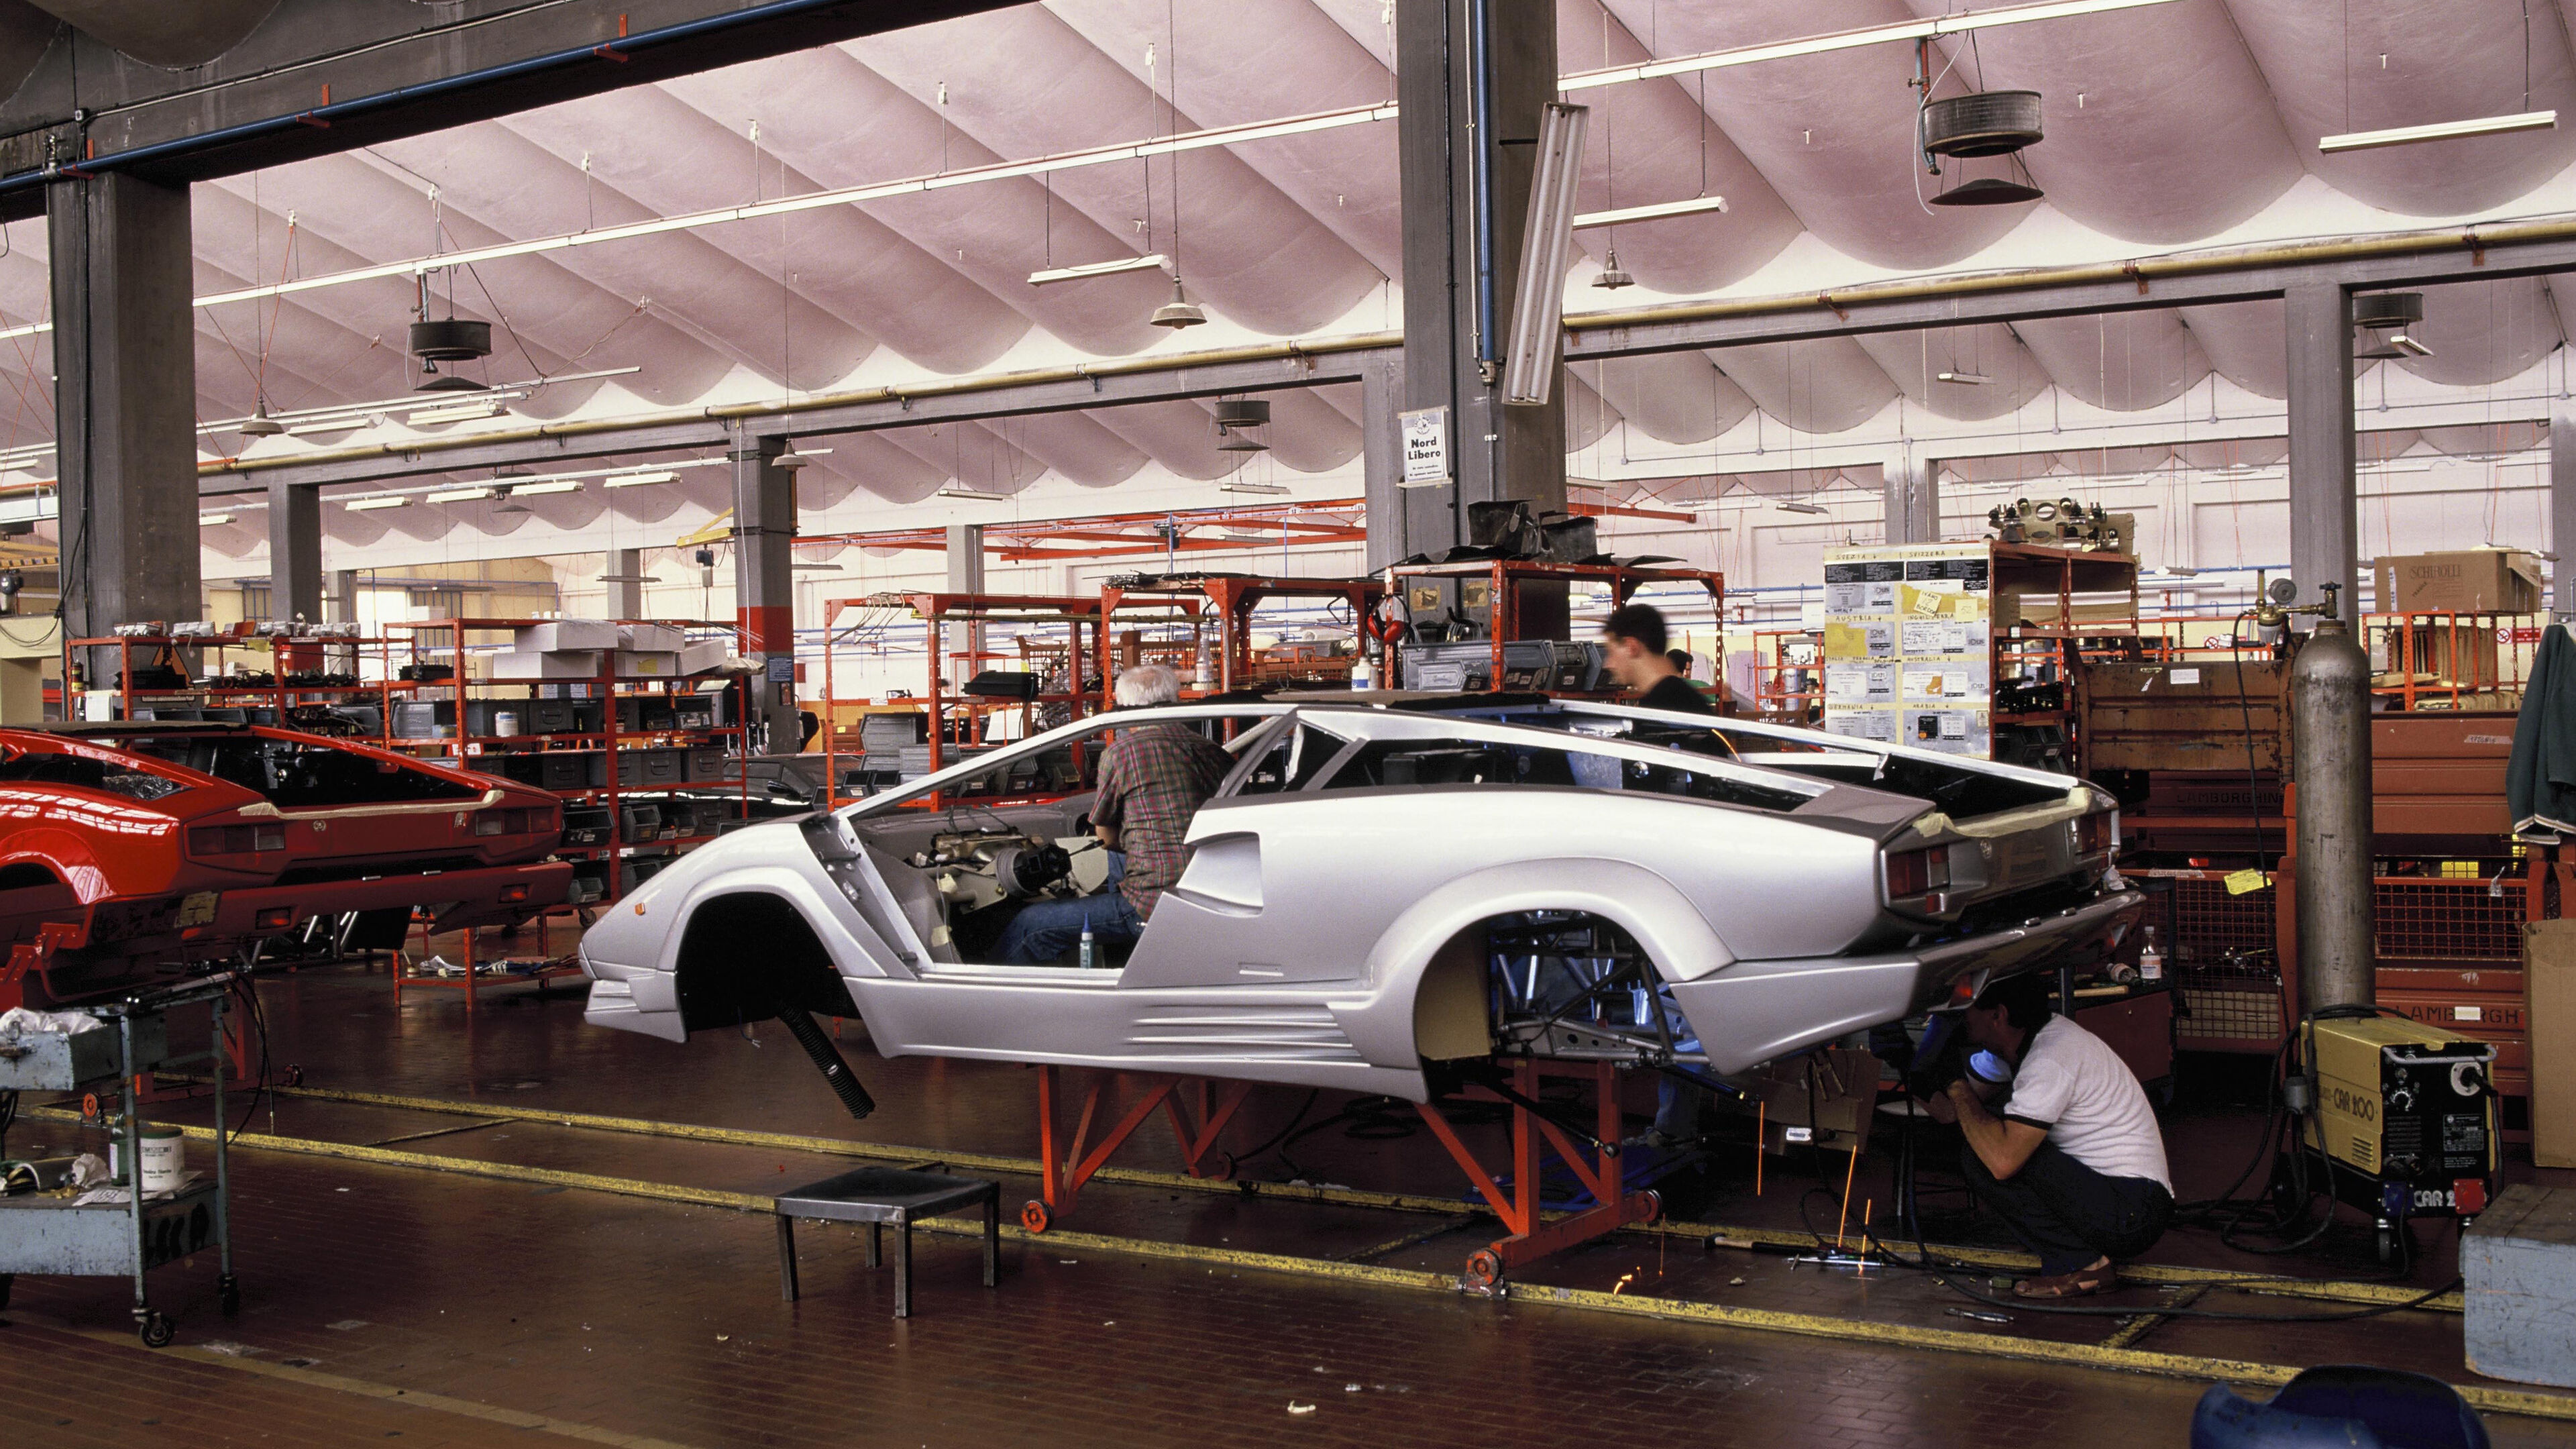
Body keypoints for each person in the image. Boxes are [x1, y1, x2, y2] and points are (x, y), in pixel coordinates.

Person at [1923, 973, 2174, 1299]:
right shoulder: (2016, 1044)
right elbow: (1951, 1114)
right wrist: (1915, 1066)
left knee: (1990, 1154)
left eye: (1965, 1010)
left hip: (2133, 1211)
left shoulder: (2051, 1057)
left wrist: (1955, 1083)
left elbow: (2000, 1161)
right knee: (1986, 1136)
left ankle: (2085, 1265)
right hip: (2116, 1197)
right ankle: (2078, 1255)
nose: (1959, 1019)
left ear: (1998, 1015)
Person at [991, 663, 1232, 965]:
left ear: (1123, 710)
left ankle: (974, 1006)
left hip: (1155, 905)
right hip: (1213, 897)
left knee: (1030, 925)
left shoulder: (1121, 753)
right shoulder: (1214, 752)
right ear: (1177, 702)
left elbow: (1106, 838)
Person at [1601, 603, 1711, 716]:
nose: (1608, 664)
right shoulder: (1679, 698)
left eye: (1611, 653)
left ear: (1631, 647)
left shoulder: (1662, 708)